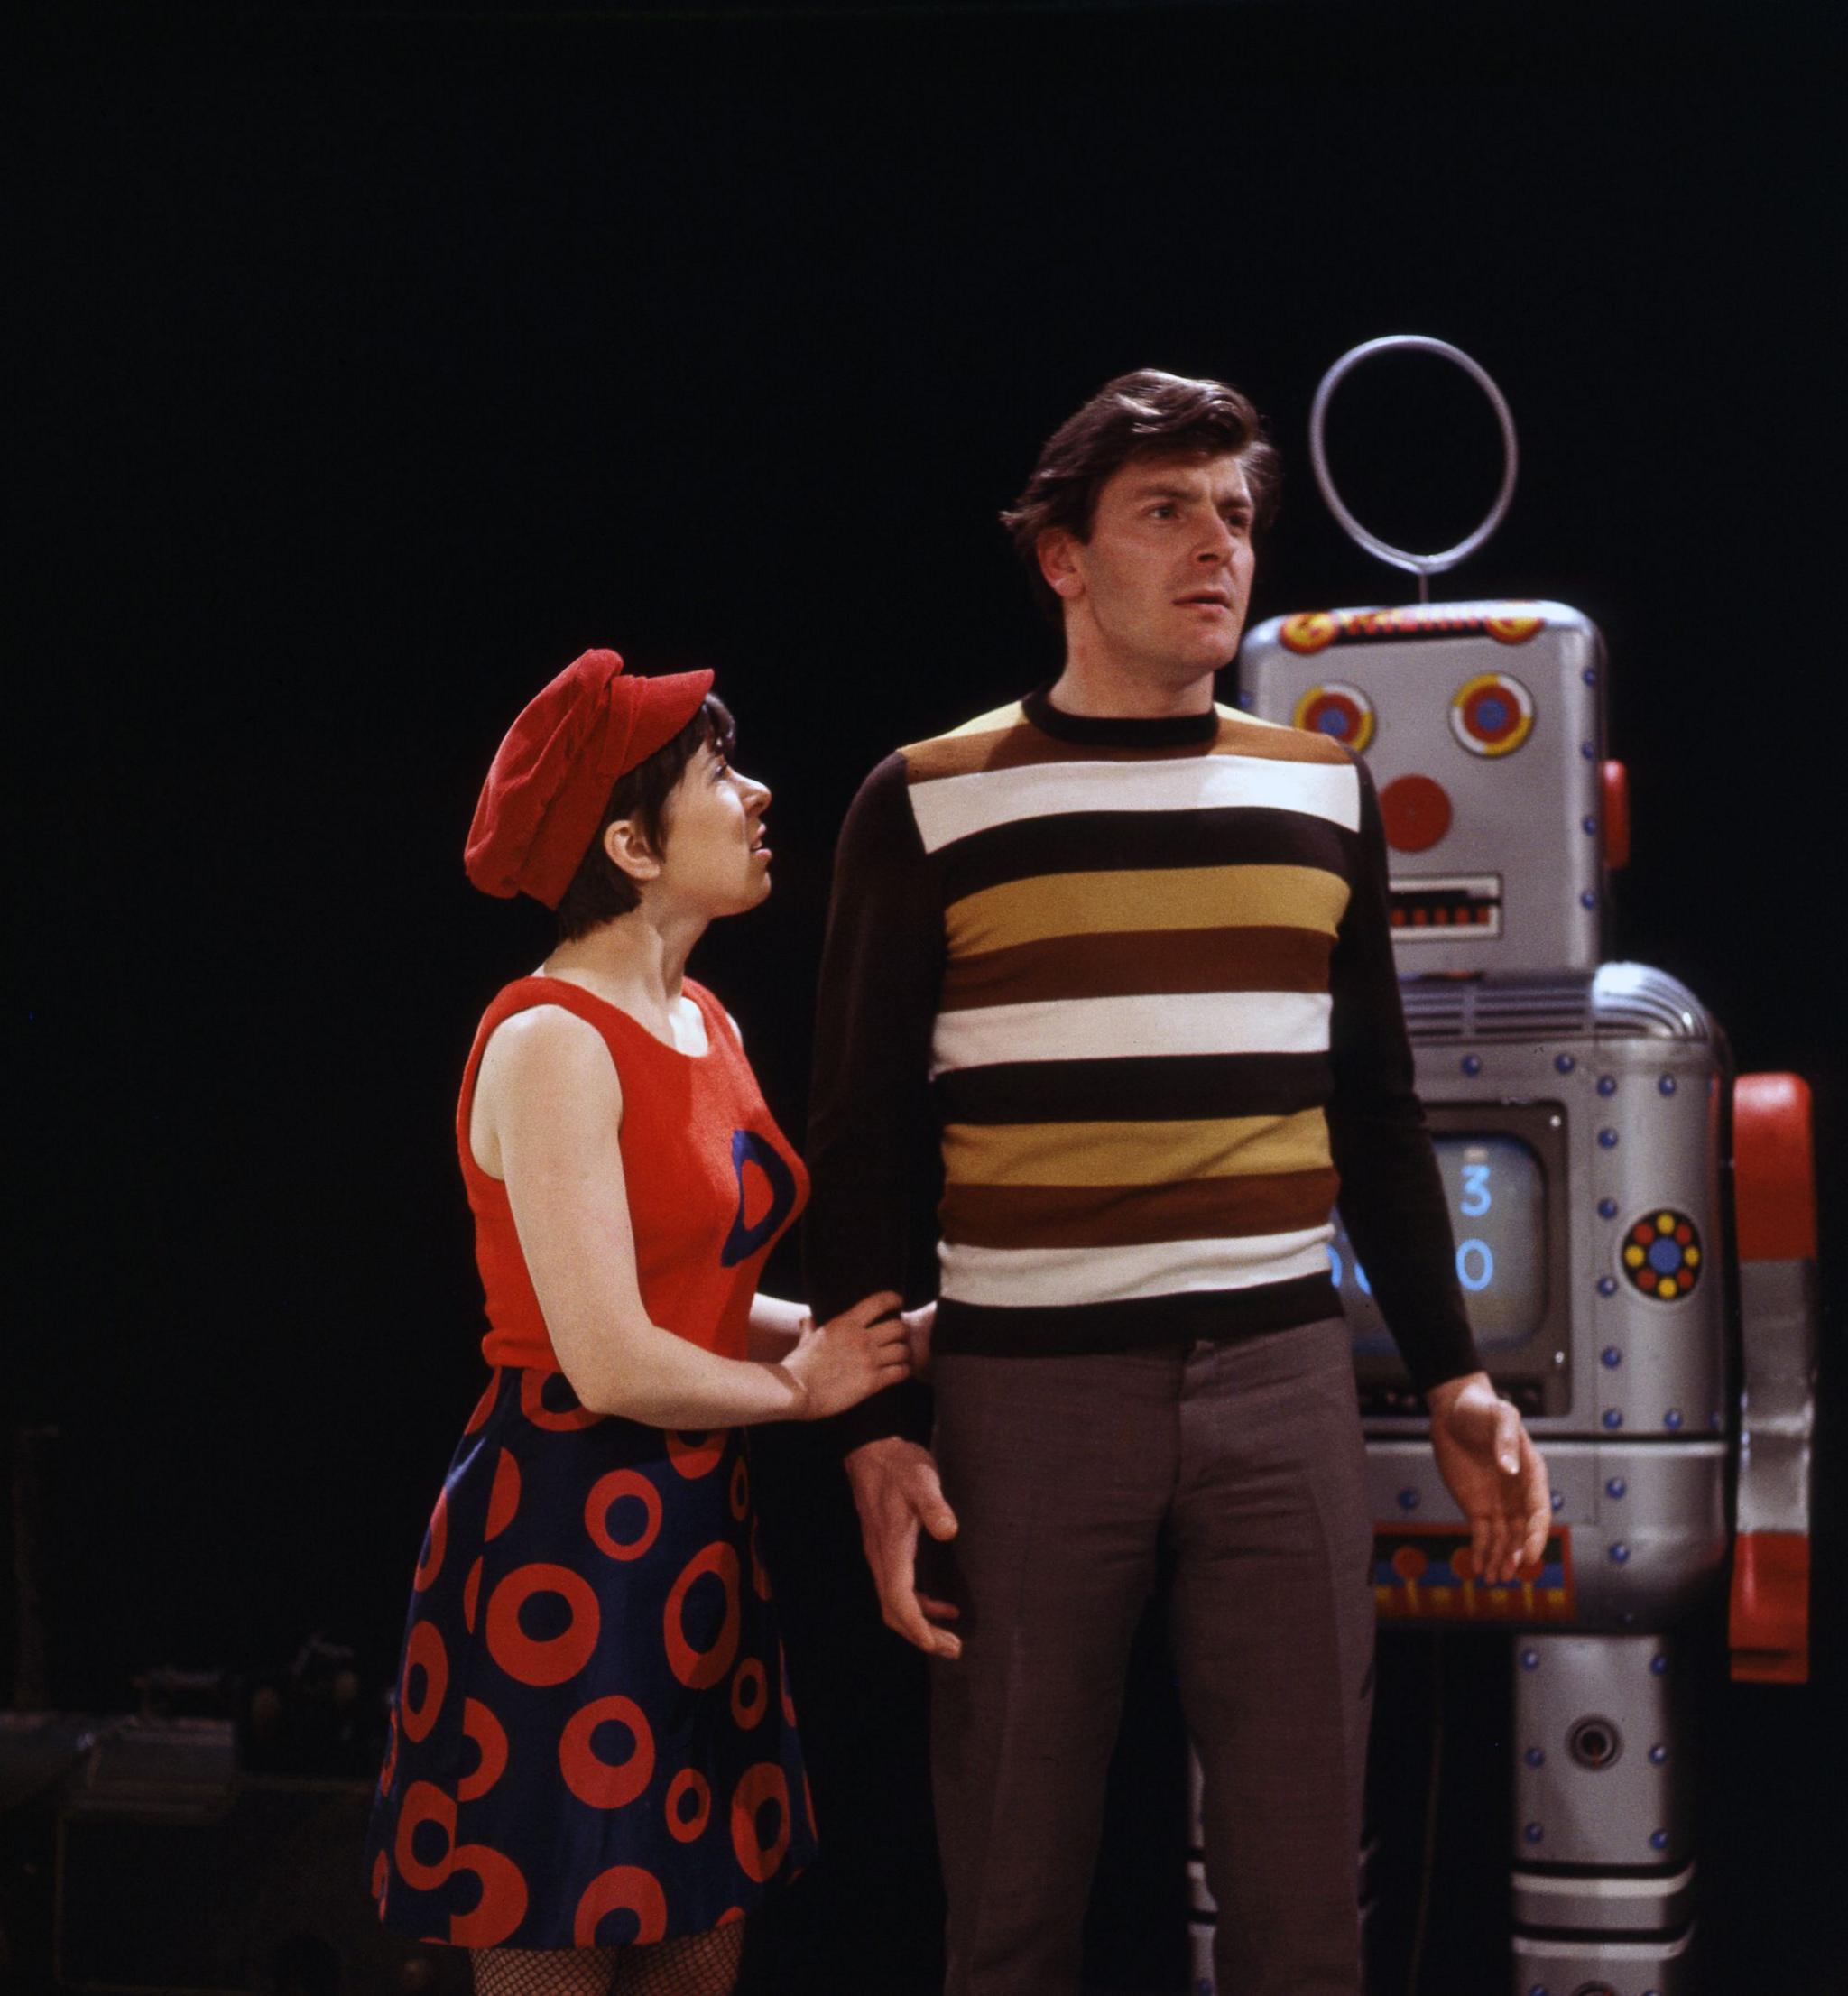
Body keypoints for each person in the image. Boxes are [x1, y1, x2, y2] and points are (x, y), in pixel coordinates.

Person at [803, 371, 1553, 1996]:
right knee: (1009, 1900)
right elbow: (859, 1141)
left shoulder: (1317, 789)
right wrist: (869, 1432)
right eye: (1166, 512)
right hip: (1023, 1400)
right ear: (1062, 559)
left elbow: (1376, 1112)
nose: (1218, 547)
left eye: (1235, 514)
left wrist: (1454, 1375)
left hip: (1281, 1388)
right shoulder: (929, 800)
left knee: (1301, 1913)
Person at [365, 649, 913, 1996]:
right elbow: (609, 1357)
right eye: (721, 775)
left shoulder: (700, 1016)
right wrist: (808, 1389)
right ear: (629, 842)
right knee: (559, 1930)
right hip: (561, 1528)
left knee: (693, 1943)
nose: (759, 794)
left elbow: (698, 1297)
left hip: (687, 1533)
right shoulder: (548, 1038)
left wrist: (871, 1337)